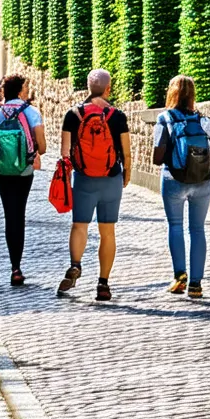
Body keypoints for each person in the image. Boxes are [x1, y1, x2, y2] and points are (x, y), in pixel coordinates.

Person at [56, 69, 132, 301]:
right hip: (111, 179)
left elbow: (65, 153)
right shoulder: (117, 116)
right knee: (107, 232)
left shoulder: (73, 114)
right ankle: (103, 284)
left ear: (89, 88)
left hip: (83, 179)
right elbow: (126, 153)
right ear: (108, 88)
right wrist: (126, 174)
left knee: (79, 226)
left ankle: (76, 264)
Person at [152, 75, 210, 299]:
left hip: (174, 179)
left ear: (171, 93)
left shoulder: (165, 118)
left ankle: (179, 276)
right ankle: (196, 285)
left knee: (175, 225)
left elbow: (157, 157)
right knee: (198, 229)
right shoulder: (204, 121)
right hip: (202, 181)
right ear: (193, 95)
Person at [0, 74, 46, 286]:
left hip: (1, 171)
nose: (28, 91)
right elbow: (42, 148)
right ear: (19, 91)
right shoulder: (33, 113)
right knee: (19, 213)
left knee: (10, 213)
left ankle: (14, 266)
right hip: (24, 171)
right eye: (26, 88)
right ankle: (17, 267)